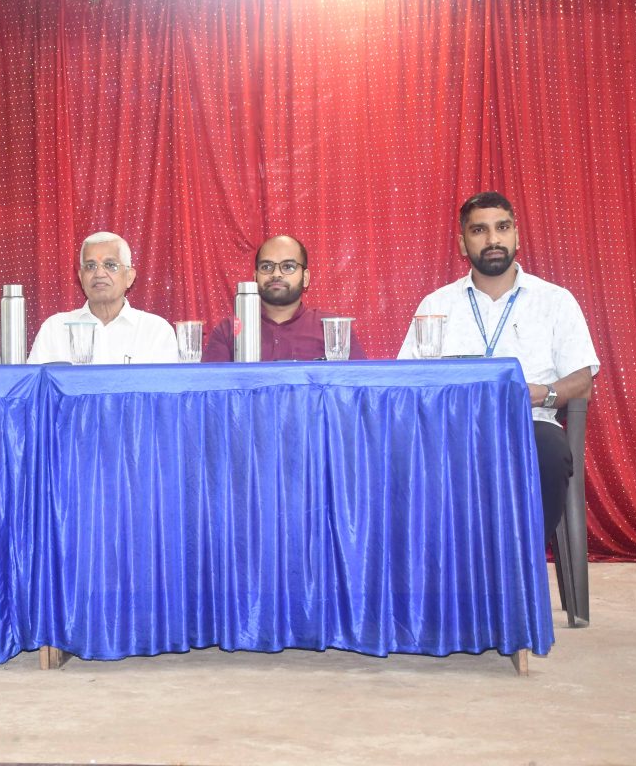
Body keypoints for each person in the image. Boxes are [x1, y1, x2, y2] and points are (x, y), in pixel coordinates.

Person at [397, 191, 599, 539]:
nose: (493, 239)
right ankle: (448, 561)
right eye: (479, 230)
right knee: (408, 453)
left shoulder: (555, 301)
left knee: (549, 451)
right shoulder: (437, 304)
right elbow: (405, 378)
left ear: (516, 236)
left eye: (502, 227)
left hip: (529, 423)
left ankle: (521, 557)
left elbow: (583, 381)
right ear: (462, 244)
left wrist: (540, 394)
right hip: (453, 428)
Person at [202, 235, 367, 362]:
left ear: (305, 278)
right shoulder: (228, 331)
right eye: (266, 267)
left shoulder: (333, 330)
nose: (276, 274)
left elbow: (358, 387)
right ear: (255, 277)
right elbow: (211, 390)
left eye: (288, 267)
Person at [27, 231, 177, 364]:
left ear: (129, 277)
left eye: (110, 265)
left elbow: (165, 386)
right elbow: (36, 386)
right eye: (90, 266)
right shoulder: (55, 329)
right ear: (81, 278)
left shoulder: (155, 331)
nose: (99, 274)